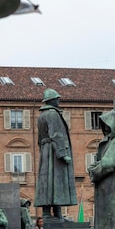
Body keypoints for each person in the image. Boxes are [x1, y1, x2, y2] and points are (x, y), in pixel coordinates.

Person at [35, 88, 77, 221]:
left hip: (46, 150)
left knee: (48, 182)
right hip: (54, 152)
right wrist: (62, 154)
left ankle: (53, 213)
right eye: (57, 98)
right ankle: (54, 213)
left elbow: (40, 138)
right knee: (56, 181)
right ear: (52, 100)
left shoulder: (42, 115)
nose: (59, 100)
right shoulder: (53, 114)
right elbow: (57, 135)